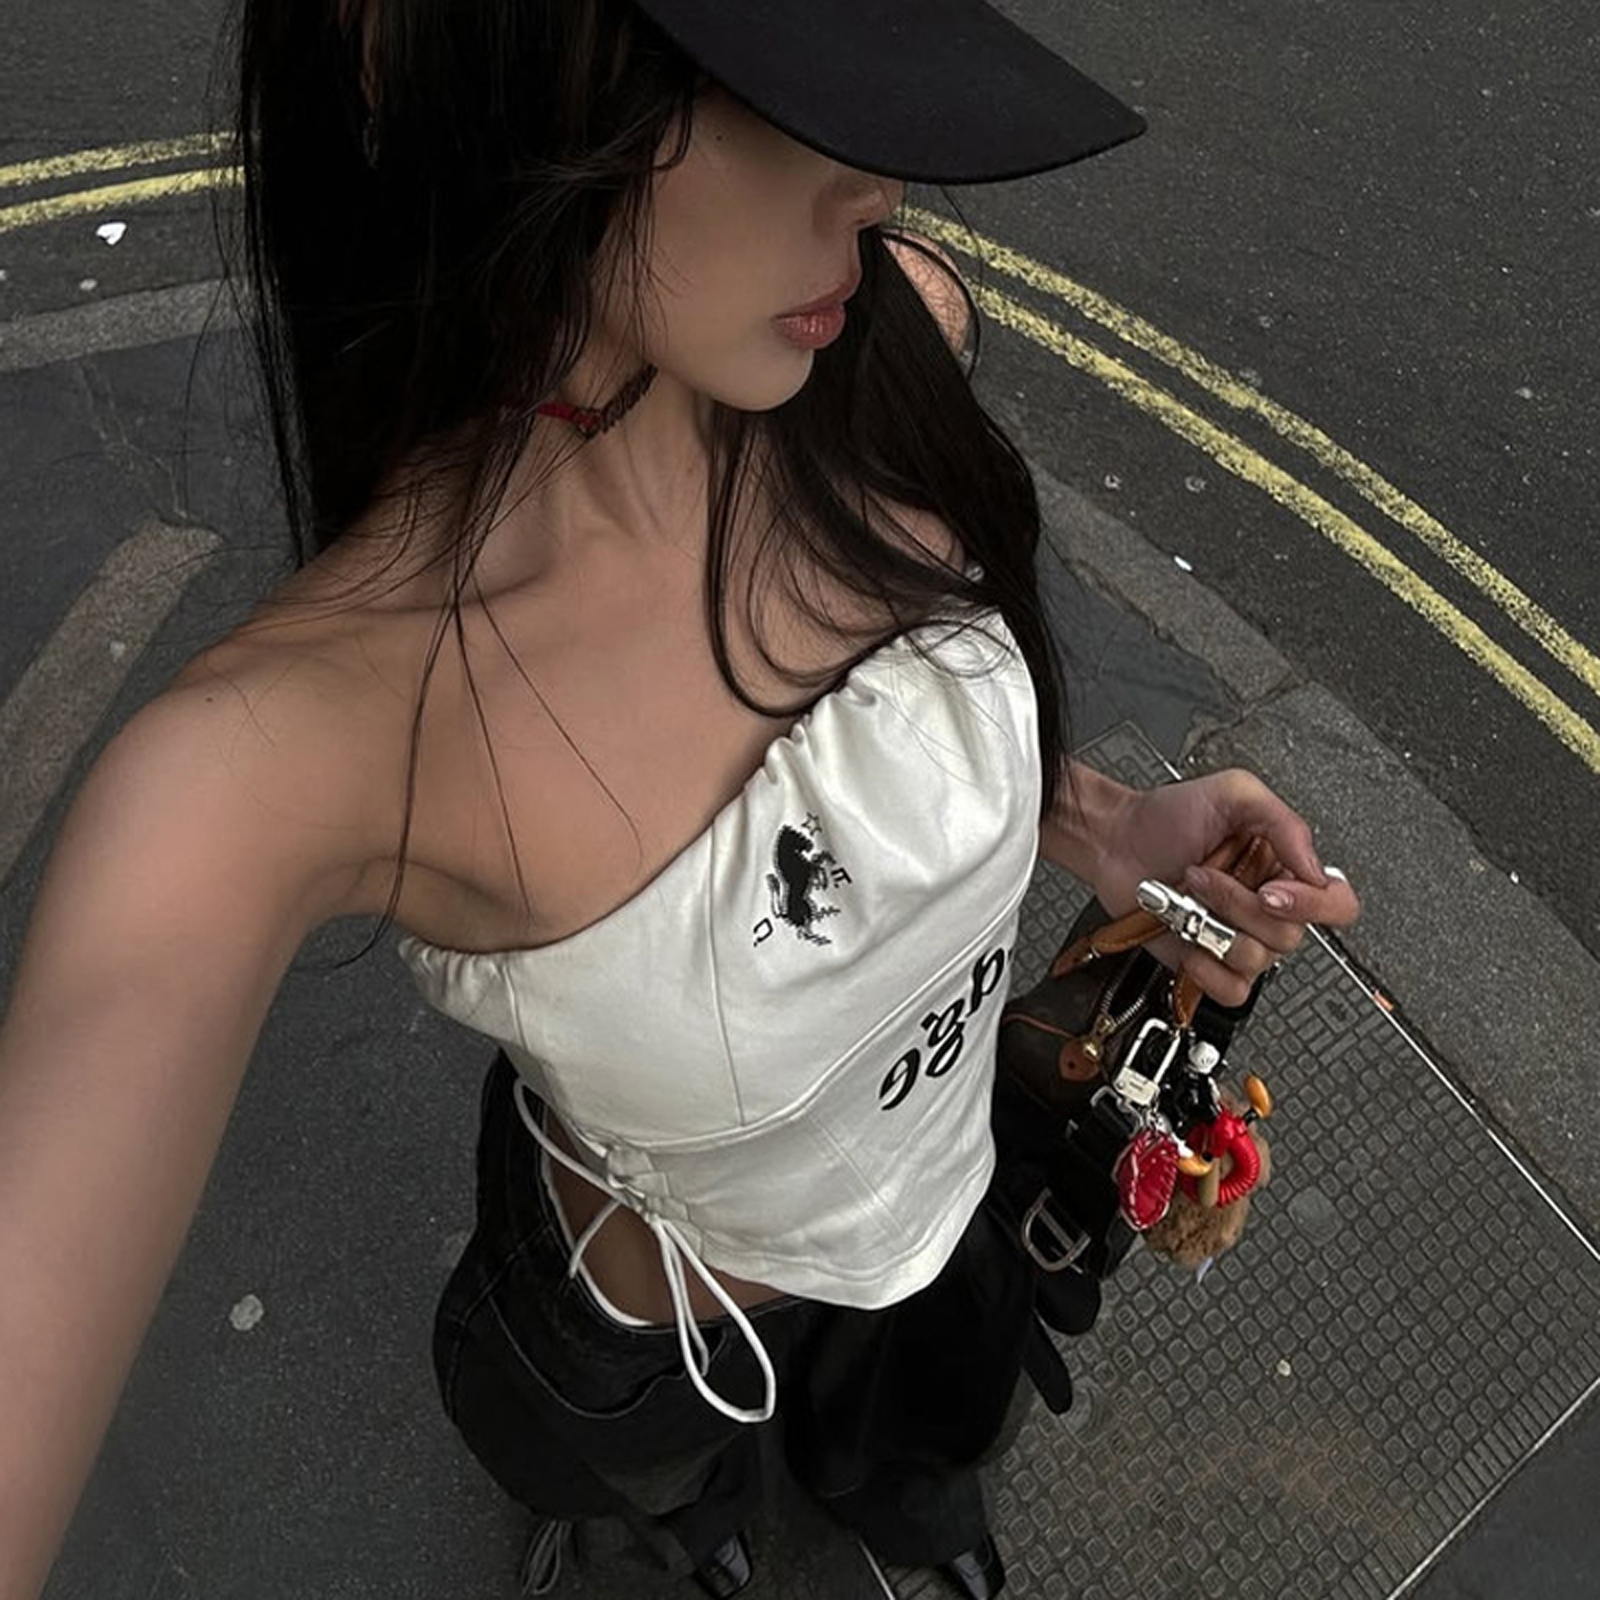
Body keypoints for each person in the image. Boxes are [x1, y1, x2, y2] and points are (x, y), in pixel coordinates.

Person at [0, 2, 1362, 1597]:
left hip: (952, 1214)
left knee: (924, 1448)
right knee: (663, 1505)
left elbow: (880, 735)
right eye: (758, 77)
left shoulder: (876, 333)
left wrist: (1103, 824)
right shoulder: (291, 749)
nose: (876, 184)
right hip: (658, 1335)